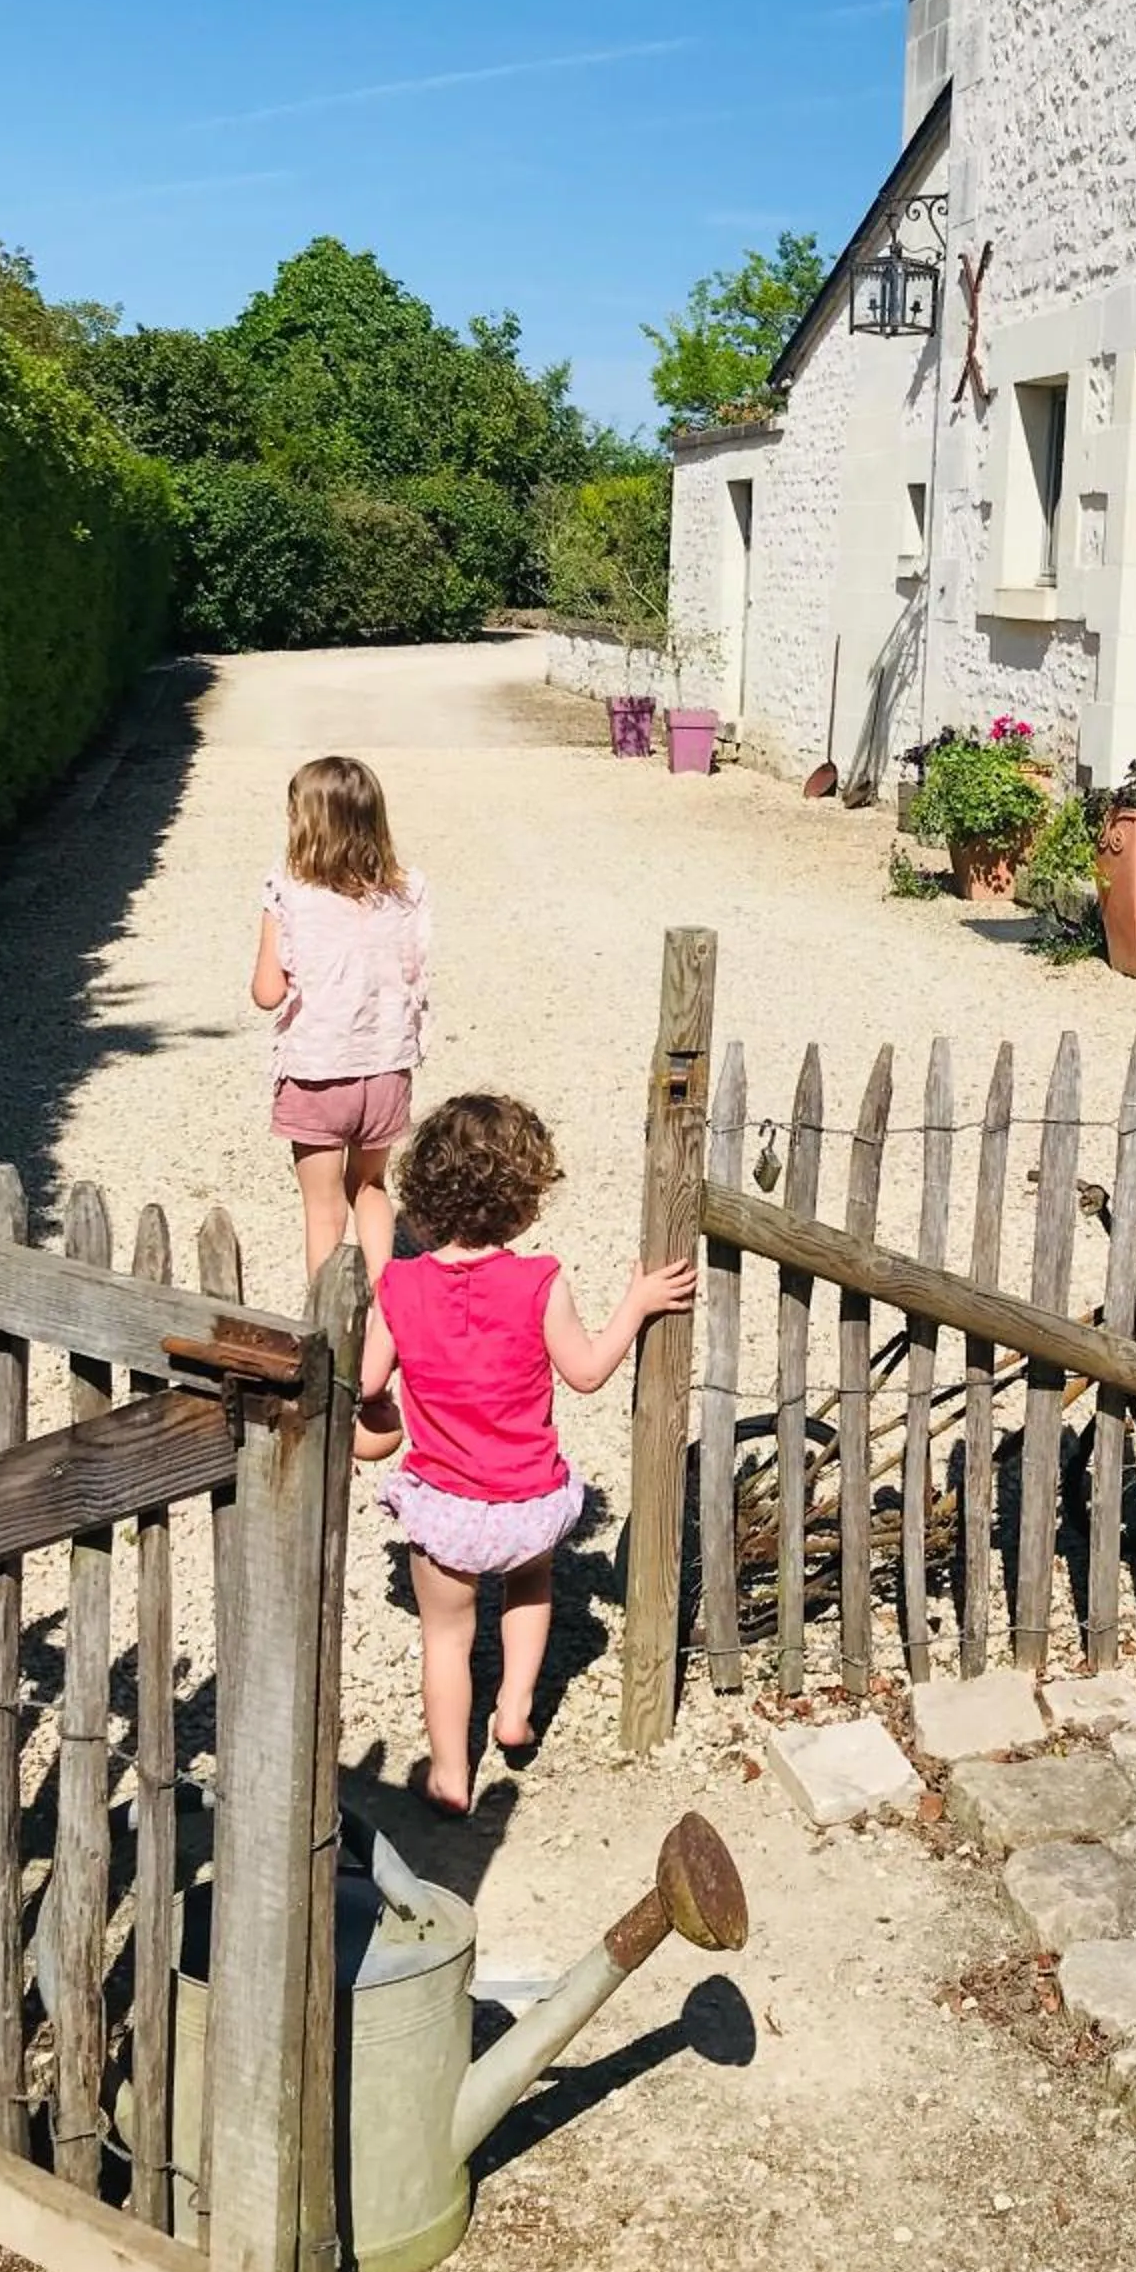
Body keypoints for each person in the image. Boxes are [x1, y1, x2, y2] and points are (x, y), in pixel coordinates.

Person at [355, 1091, 693, 1811]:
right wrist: (636, 1303)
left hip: (445, 1505)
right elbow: (588, 1371)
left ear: (424, 1193)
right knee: (531, 1585)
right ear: (524, 1199)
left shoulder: (400, 1286)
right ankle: (513, 1710)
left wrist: (381, 1408)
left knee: (445, 1639)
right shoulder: (539, 1281)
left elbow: (366, 1382)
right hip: (526, 1501)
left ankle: (450, 1774)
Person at [250, 754, 431, 1291]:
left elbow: (268, 992)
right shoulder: (407, 891)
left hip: (317, 1070)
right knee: (370, 1186)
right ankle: (386, 1313)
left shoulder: (287, 891)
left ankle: (328, 1327)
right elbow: (416, 970)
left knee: (323, 1208)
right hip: (386, 1068)